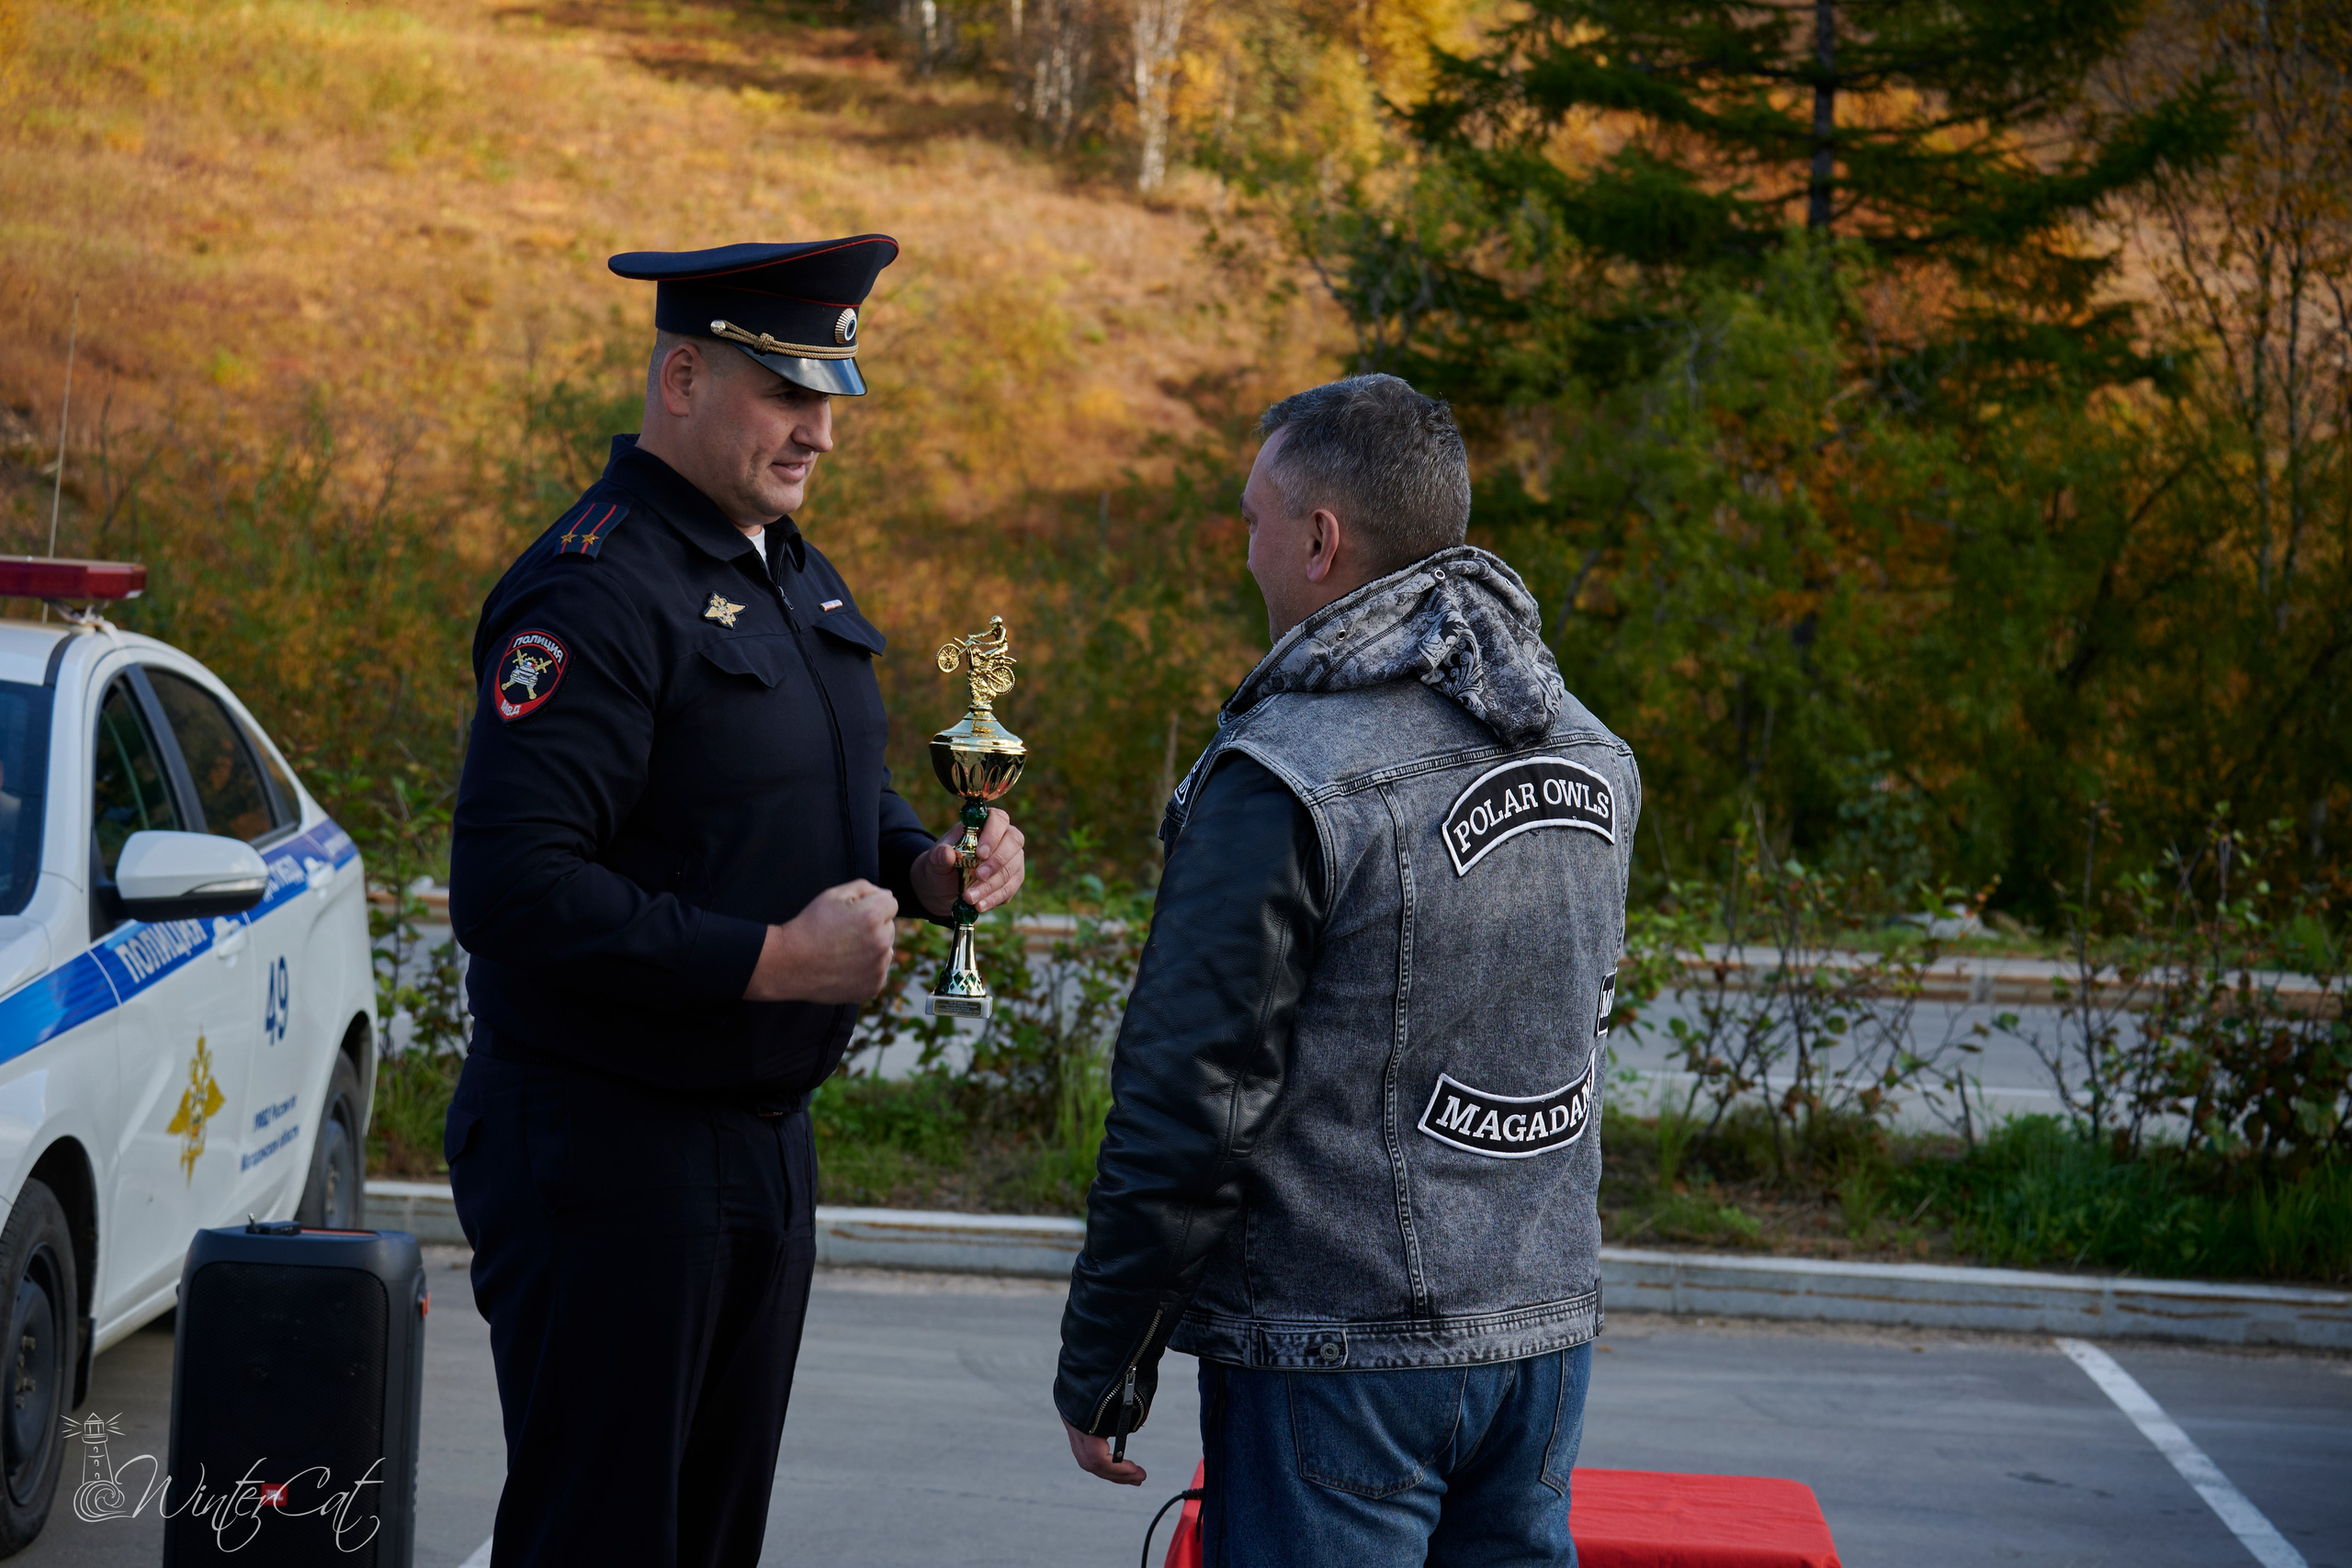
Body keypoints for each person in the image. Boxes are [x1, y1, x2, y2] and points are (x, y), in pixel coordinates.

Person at [444, 236, 1026, 1568]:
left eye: (830, 395)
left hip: (754, 1139)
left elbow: (828, 797)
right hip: (607, 1139)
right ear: (687, 376)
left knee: (709, 1542)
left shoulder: (786, 568)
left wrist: (930, 871)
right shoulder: (594, 587)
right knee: (603, 1540)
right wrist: (772, 961)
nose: (819, 430)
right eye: (786, 392)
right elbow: (513, 889)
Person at [1053, 374, 1638, 1565]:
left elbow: (1190, 1096)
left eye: (1256, 518)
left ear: (1320, 542)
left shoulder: (1280, 775)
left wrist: (1107, 1359)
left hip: (1334, 1355)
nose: (1245, 547)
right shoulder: (1591, 748)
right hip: (1538, 1341)